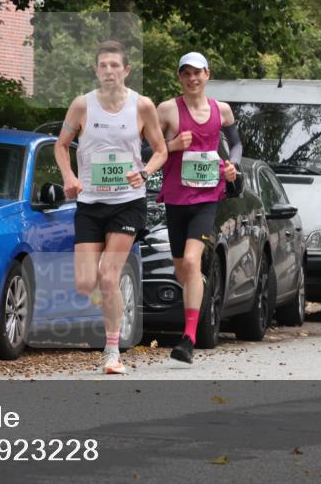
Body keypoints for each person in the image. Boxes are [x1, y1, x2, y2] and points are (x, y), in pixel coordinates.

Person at [54, 40, 167, 374]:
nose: (108, 71)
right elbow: (61, 146)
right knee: (85, 283)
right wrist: (69, 177)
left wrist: (144, 172)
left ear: (126, 70)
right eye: (102, 66)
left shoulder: (142, 106)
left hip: (126, 203)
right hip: (89, 202)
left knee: (108, 274)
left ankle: (112, 350)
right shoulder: (81, 105)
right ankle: (112, 302)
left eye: (115, 65)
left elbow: (161, 150)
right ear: (95, 70)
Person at [156, 52, 242, 364]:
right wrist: (172, 146)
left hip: (207, 199)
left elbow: (236, 145)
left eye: (198, 73)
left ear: (207, 74)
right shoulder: (167, 110)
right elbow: (144, 150)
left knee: (192, 262)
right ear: (180, 78)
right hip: (175, 200)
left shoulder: (222, 110)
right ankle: (198, 287)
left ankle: (188, 339)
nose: (193, 79)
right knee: (184, 270)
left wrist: (233, 166)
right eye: (186, 74)